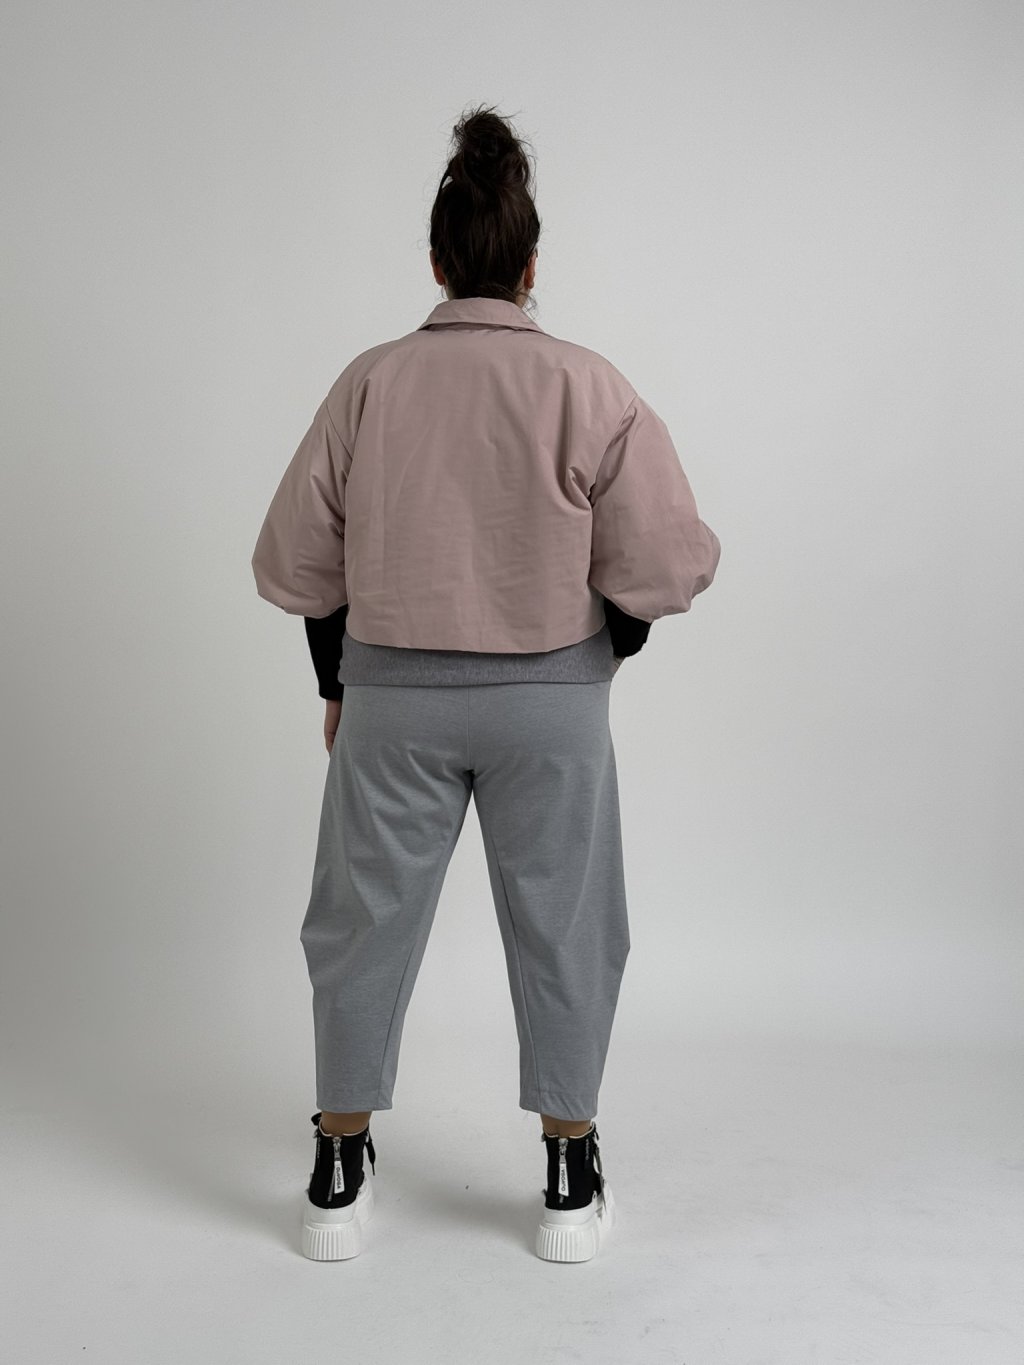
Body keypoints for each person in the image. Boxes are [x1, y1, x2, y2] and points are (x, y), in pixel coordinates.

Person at [251, 103, 721, 1264]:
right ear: (529, 265)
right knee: (568, 925)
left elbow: (297, 559)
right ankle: (568, 1167)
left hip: (391, 698)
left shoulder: (369, 383)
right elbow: (667, 562)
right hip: (552, 702)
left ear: (435, 261)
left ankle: (337, 1165)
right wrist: (595, 651)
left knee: (359, 925)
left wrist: (339, 683)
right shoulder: (589, 385)